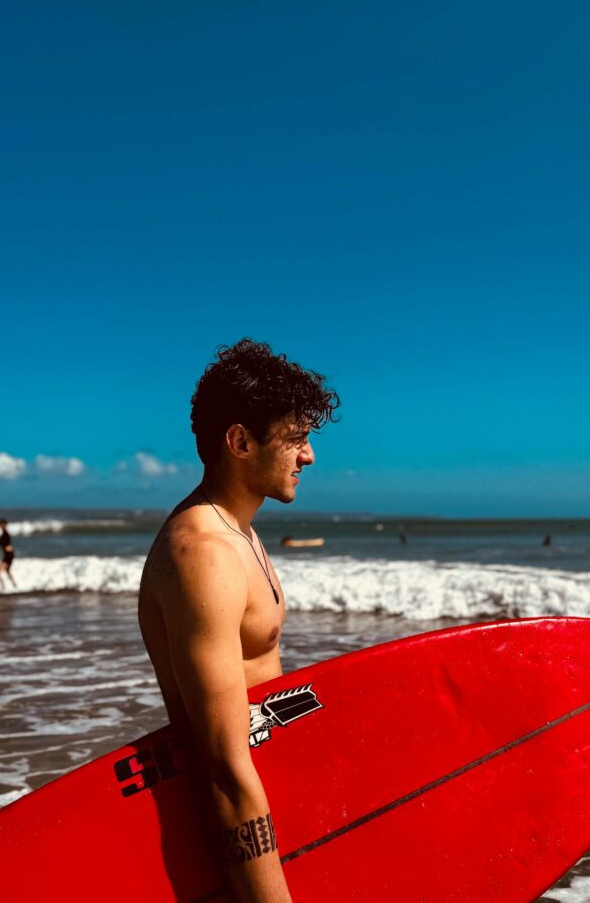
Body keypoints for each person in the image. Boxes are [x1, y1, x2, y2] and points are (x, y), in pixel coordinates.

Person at [139, 339, 339, 902]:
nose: (309, 457)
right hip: (239, 850)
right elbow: (222, 765)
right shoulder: (202, 553)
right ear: (240, 442)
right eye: (296, 439)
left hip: (273, 821)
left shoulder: (239, 532)